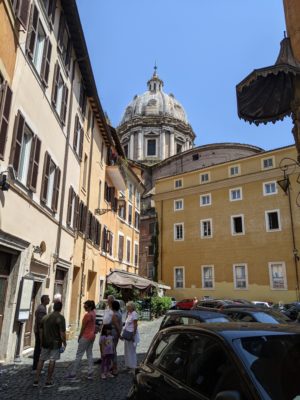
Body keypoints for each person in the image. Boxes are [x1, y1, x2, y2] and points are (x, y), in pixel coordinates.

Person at [33, 301, 66, 387]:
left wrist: (40, 341)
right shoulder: (60, 318)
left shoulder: (45, 317)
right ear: (60, 308)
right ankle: (48, 380)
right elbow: (62, 333)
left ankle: (36, 380)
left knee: (41, 360)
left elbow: (40, 331)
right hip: (55, 343)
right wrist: (64, 343)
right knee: (52, 360)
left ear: (54, 307)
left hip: (45, 342)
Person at [67, 300, 96, 380]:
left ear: (89, 307)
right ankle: (90, 372)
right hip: (92, 336)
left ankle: (73, 373)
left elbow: (83, 327)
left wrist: (79, 336)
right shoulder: (93, 313)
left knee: (79, 355)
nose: (84, 307)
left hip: (86, 336)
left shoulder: (87, 315)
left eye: (85, 306)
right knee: (89, 354)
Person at [95, 295, 115, 365]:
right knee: (101, 343)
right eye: (107, 299)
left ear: (112, 301)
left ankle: (108, 361)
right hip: (104, 327)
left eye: (109, 300)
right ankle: (102, 357)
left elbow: (114, 320)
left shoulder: (113, 309)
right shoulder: (107, 308)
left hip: (109, 329)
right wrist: (101, 326)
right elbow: (104, 318)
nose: (107, 301)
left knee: (107, 345)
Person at [32, 294, 50, 372]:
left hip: (39, 331)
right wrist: (41, 334)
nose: (49, 300)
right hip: (40, 332)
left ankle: (37, 366)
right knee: (39, 349)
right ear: (44, 300)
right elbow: (41, 323)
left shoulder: (42, 307)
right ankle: (36, 367)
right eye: (48, 299)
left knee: (39, 349)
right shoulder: (42, 309)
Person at [122, 301, 139, 372]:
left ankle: (133, 367)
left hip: (131, 334)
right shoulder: (129, 314)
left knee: (131, 351)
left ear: (132, 307)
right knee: (127, 350)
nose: (127, 308)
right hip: (127, 334)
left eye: (128, 307)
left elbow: (135, 325)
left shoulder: (134, 314)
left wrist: (133, 335)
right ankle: (128, 365)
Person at [111, 300, 122, 375]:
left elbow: (117, 325)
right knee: (113, 349)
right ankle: (113, 366)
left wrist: (119, 334)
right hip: (116, 334)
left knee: (112, 350)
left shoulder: (114, 315)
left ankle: (115, 368)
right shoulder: (119, 313)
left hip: (113, 333)